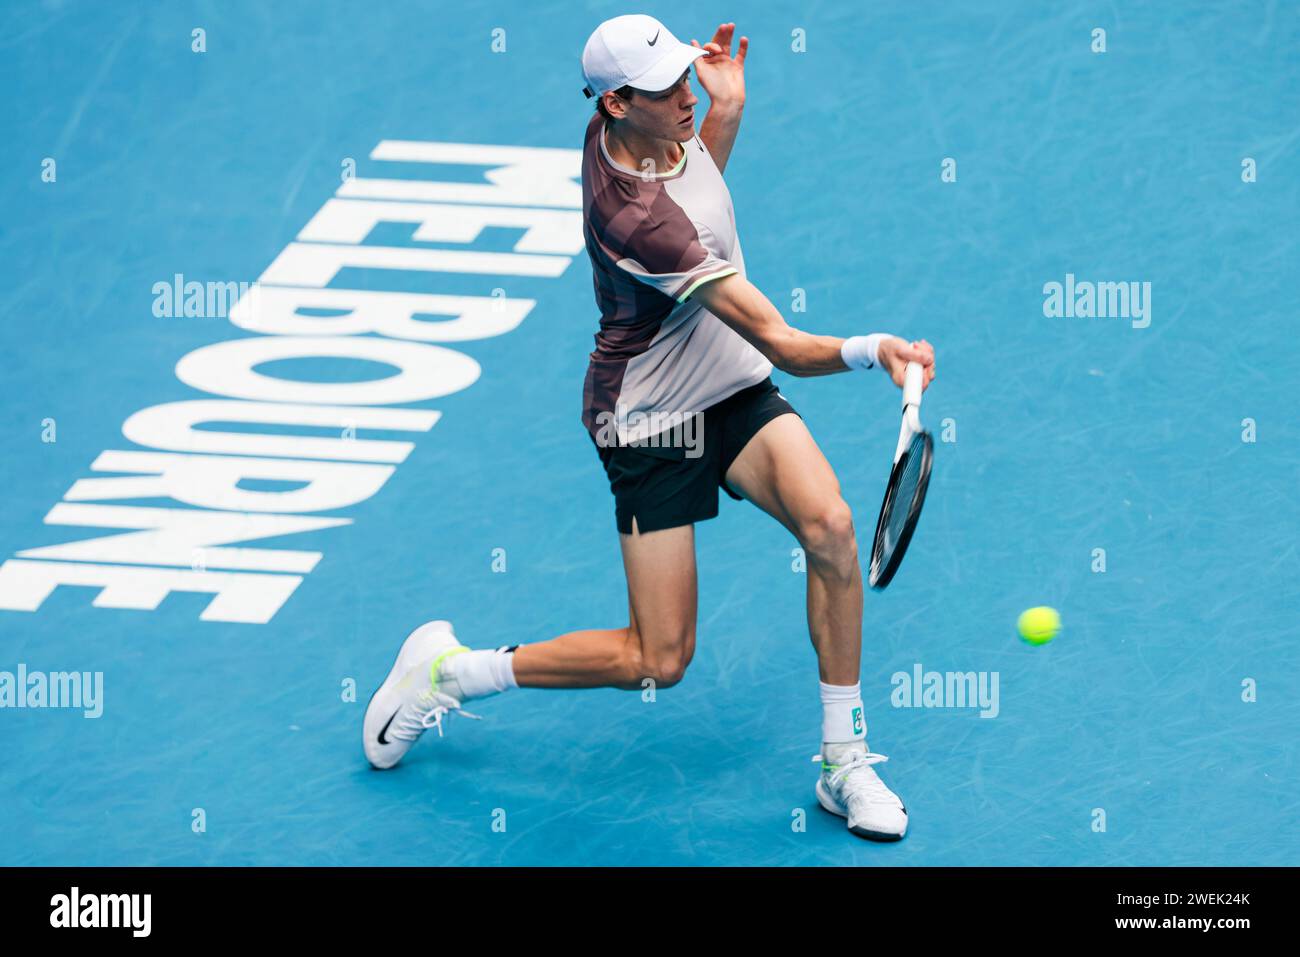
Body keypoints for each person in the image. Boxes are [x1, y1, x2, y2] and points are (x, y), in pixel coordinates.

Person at [363, 14, 936, 842]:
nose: (687, 95)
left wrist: (725, 114)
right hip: (649, 417)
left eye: (683, 76)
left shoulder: (655, 130)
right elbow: (776, 338)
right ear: (616, 104)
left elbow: (700, 199)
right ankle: (450, 673)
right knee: (657, 659)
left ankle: (844, 760)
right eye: (668, 89)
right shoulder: (633, 217)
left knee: (833, 526)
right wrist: (873, 348)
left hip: (727, 385)